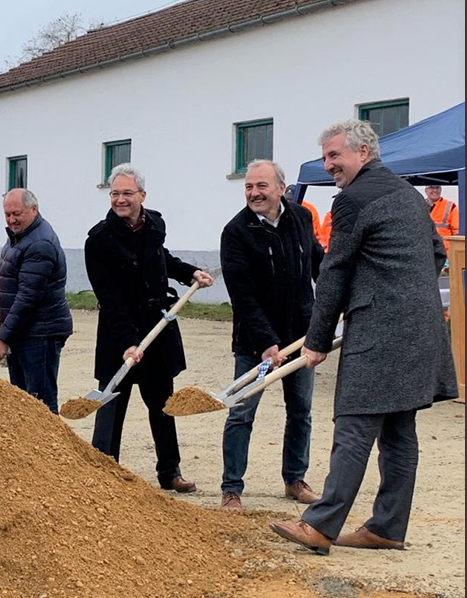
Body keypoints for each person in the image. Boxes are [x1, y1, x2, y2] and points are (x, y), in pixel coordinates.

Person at [270, 120, 458, 554]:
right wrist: (407, 293)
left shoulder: (354, 200)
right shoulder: (409, 195)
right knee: (398, 429)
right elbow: (435, 252)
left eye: (335, 155)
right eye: (326, 156)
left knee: (354, 425)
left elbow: (334, 273)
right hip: (422, 327)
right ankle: (387, 528)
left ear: (364, 153)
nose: (328, 164)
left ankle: (319, 526)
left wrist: (316, 339)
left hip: (380, 332)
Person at [85, 163, 214, 493]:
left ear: (142, 195)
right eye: (115, 193)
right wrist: (128, 342)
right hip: (120, 335)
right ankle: (103, 471)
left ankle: (170, 472)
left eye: (127, 193)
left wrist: (190, 273)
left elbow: (162, 258)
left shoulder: (154, 224)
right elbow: (110, 300)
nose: (120, 199)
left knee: (163, 404)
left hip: (156, 327)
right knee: (111, 403)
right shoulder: (99, 240)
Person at [220, 161, 324, 511]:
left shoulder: (301, 219)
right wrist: (265, 342)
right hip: (255, 346)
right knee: (241, 412)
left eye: (261, 186)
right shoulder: (236, 232)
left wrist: (331, 304)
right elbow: (242, 296)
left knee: (301, 411)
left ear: (280, 188)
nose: (254, 193)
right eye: (249, 187)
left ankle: (295, 479)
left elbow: (317, 264)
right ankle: (231, 488)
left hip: (300, 338)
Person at [0, 188, 73, 414]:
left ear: (34, 210)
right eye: (7, 214)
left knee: (41, 407)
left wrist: (3, 337)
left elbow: (27, 297)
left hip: (40, 334)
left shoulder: (39, 243)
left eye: (17, 213)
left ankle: (52, 450)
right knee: (23, 403)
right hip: (24, 332)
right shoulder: (19, 238)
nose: (11, 219)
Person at [424, 185, 459, 253]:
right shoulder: (419, 205)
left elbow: (457, 232)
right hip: (425, 250)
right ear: (426, 190)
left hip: (444, 251)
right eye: (431, 187)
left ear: (440, 189)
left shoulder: (451, 206)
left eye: (437, 187)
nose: (435, 190)